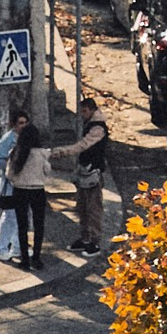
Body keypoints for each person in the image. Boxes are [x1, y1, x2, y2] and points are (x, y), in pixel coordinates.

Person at [0, 112, 49, 269]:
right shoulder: (41, 153)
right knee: (39, 225)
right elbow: (47, 171)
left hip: (20, 191)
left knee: (22, 226)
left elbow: (9, 174)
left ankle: (24, 259)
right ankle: (37, 257)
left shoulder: (16, 152)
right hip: (38, 191)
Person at [69, 97, 110, 258]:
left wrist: (63, 152)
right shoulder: (90, 124)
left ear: (92, 110)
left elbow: (84, 145)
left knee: (93, 209)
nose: (82, 114)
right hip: (85, 171)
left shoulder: (98, 127)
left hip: (93, 172)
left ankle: (95, 242)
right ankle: (85, 238)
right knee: (82, 207)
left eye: (84, 111)